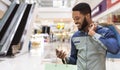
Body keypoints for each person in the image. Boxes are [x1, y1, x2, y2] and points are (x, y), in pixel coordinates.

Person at [56, 2, 119, 70]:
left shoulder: (104, 32)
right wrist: (64, 58)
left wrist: (94, 35)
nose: (75, 22)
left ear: (87, 16)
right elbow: (74, 60)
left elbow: (114, 49)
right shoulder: (75, 37)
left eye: (77, 18)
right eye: (74, 19)